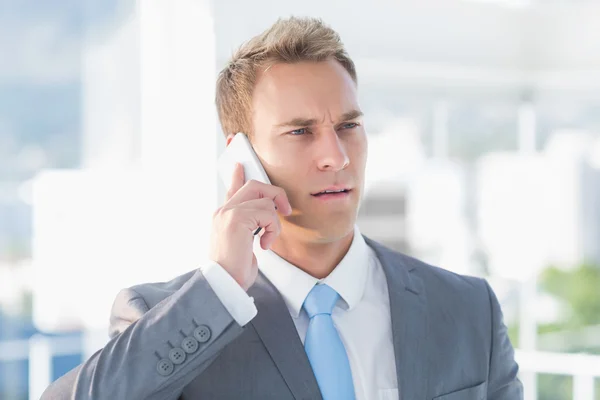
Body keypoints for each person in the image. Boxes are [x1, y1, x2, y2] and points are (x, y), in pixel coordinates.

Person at [42, 16, 523, 400]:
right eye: (301, 131)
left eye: (348, 125)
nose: (336, 154)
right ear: (242, 157)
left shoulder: (466, 310)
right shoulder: (171, 317)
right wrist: (221, 286)